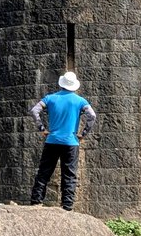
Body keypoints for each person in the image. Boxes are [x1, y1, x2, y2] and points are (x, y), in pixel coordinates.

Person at [29, 70, 96, 211]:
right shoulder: (80, 101)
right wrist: (83, 133)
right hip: (71, 142)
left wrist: (42, 128)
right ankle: (67, 205)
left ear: (62, 84)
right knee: (69, 174)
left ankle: (36, 201)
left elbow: (35, 110)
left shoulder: (50, 98)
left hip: (52, 140)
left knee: (44, 172)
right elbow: (92, 116)